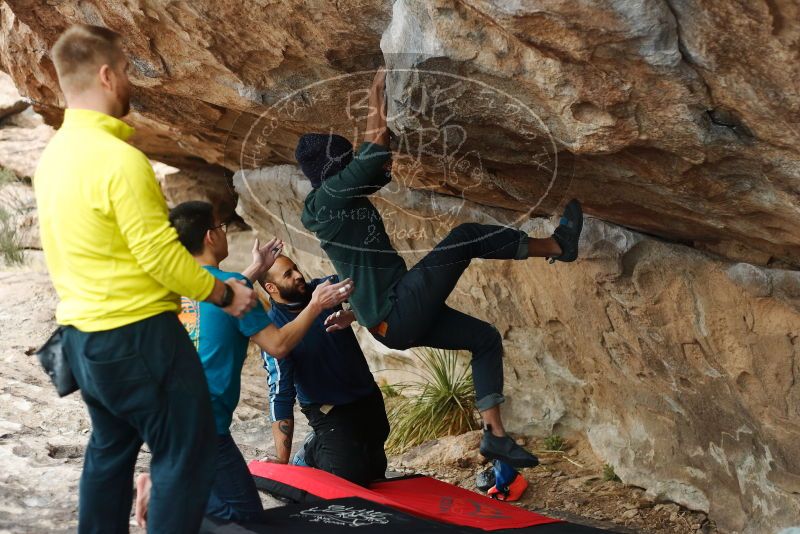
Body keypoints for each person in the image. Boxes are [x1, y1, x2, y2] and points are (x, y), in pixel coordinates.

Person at [297, 68, 584, 468]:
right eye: (345, 163)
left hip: (391, 320)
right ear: (332, 172)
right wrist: (374, 92)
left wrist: (356, 313)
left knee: (484, 339)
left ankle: (495, 437)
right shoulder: (328, 199)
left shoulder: (334, 202)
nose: (354, 169)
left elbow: (377, 170)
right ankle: (558, 244)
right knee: (465, 236)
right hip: (397, 311)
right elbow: (375, 152)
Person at [34, 25, 258, 533]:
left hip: (82, 341)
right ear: (107, 74)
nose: (131, 81)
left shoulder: (52, 161)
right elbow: (160, 256)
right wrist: (223, 293)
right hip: (139, 335)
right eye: (128, 71)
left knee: (110, 452)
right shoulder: (119, 160)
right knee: (188, 450)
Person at [146, 200, 353, 524]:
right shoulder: (235, 288)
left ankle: (160, 495)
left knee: (195, 501)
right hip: (202, 424)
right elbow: (278, 345)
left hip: (161, 416)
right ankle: (160, 499)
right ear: (211, 237)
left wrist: (255, 269)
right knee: (243, 515)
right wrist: (315, 305)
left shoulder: (176, 286)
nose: (224, 233)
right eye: (221, 226)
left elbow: (221, 299)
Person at [261, 254, 389, 486]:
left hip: (365, 394)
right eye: (288, 274)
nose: (299, 275)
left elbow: (366, 282)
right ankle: (311, 452)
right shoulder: (273, 330)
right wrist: (282, 458)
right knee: (351, 480)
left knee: (376, 472)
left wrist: (354, 313)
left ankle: (342, 450)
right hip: (328, 409)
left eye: (296, 268)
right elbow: (280, 393)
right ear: (271, 287)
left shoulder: (322, 289)